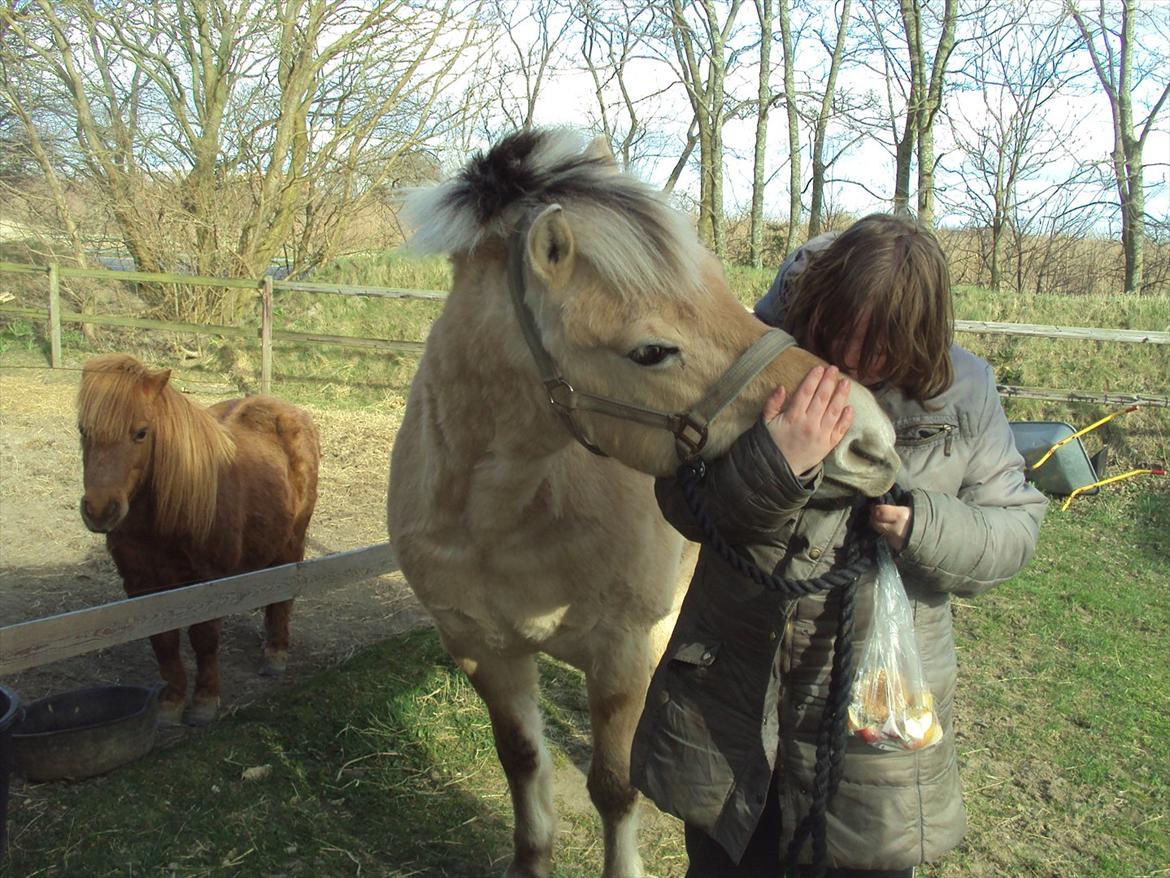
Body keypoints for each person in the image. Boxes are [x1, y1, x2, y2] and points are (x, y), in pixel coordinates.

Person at [630, 213, 1048, 877]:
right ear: (817, 306)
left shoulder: (964, 392)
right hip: (736, 703)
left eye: (880, 349)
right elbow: (679, 499)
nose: (854, 361)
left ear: (922, 334)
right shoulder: (754, 359)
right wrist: (776, 463)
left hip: (874, 724)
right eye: (839, 335)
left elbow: (1015, 528)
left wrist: (924, 523)